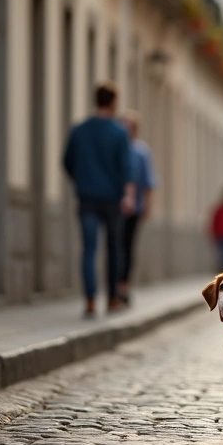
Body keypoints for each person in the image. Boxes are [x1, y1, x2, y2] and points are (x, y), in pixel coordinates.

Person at [62, 82, 135, 317]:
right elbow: (126, 168)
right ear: (113, 102)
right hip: (112, 199)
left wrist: (82, 180)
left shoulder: (79, 130)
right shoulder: (119, 132)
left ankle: (90, 300)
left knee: (88, 249)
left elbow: (67, 161)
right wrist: (128, 195)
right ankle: (112, 298)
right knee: (114, 248)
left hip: (87, 197)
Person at [119, 109, 156, 305]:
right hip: (115, 207)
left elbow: (148, 183)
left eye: (130, 127)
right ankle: (115, 285)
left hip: (134, 209)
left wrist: (147, 207)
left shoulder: (141, 152)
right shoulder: (116, 149)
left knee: (127, 246)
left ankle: (124, 284)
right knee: (115, 246)